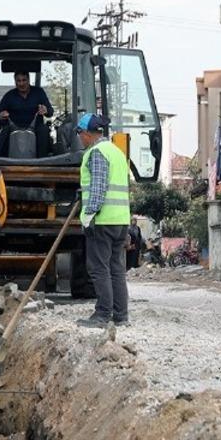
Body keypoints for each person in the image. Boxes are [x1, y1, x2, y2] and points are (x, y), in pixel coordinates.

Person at [74, 113, 131, 327]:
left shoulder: (97, 153)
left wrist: (88, 216)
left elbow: (98, 187)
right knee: (116, 268)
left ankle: (102, 315)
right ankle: (121, 315)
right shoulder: (116, 152)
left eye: (80, 133)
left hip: (102, 220)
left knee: (98, 268)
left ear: (88, 133)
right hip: (120, 220)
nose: (79, 138)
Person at [0, 71, 53, 157]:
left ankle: (42, 162)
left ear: (28, 80)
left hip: (35, 128)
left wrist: (46, 110)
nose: (21, 83)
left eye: (24, 80)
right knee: (4, 132)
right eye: (18, 81)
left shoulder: (39, 92)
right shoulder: (9, 95)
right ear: (15, 82)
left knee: (44, 130)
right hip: (13, 128)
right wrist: (0, 115)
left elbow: (50, 112)